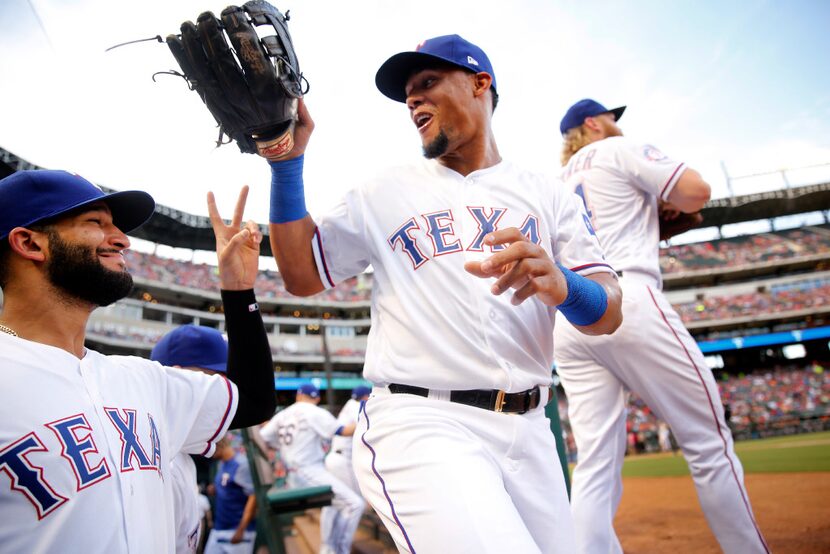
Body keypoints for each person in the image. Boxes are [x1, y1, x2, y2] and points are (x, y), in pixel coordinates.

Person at [261, 35, 623, 553]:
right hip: (423, 420)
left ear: (481, 84)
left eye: (427, 83)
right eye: (408, 94)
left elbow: (608, 313)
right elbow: (302, 274)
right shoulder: (382, 191)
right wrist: (284, 162)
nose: (413, 101)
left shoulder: (549, 195)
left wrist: (568, 286)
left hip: (531, 429)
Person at [0, 170, 275, 553]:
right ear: (29, 242)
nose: (122, 239)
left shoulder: (140, 378)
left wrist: (238, 289)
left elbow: (253, 400)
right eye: (96, 223)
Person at [555, 99, 769, 553]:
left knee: (594, 466)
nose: (616, 124)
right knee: (709, 444)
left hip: (572, 314)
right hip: (628, 297)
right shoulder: (615, 149)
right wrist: (660, 203)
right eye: (611, 118)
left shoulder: (555, 182)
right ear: (594, 124)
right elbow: (696, 191)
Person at [151, 324, 234, 554]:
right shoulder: (161, 461)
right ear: (177, 377)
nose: (226, 395)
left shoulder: (183, 454)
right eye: (216, 382)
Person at [260, 384, 363, 554]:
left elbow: (264, 439)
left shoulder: (283, 414)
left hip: (293, 474)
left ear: (298, 396)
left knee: (334, 504)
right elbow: (344, 431)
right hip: (307, 472)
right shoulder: (313, 411)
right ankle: (340, 550)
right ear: (316, 398)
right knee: (355, 504)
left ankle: (328, 549)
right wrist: (366, 421)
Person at [203, 435, 257, 554]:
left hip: (237, 530)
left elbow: (253, 497)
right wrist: (216, 488)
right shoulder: (221, 463)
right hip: (219, 528)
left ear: (218, 444)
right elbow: (230, 485)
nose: (208, 453)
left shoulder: (241, 464)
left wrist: (241, 529)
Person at [324, 385, 371, 495]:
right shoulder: (355, 406)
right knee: (356, 500)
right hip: (342, 461)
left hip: (337, 459)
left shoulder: (349, 405)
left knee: (339, 501)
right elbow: (366, 424)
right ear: (366, 396)